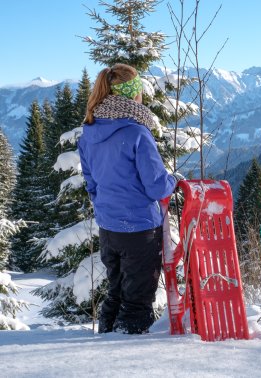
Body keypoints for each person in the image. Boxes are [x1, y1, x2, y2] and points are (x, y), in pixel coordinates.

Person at [78, 63, 178, 334]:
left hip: (109, 227)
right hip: (139, 228)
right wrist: (174, 181)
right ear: (134, 94)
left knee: (116, 292)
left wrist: (104, 206)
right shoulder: (136, 133)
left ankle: (106, 343)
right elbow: (157, 186)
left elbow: (92, 182)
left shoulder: (89, 132)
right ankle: (128, 359)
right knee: (137, 301)